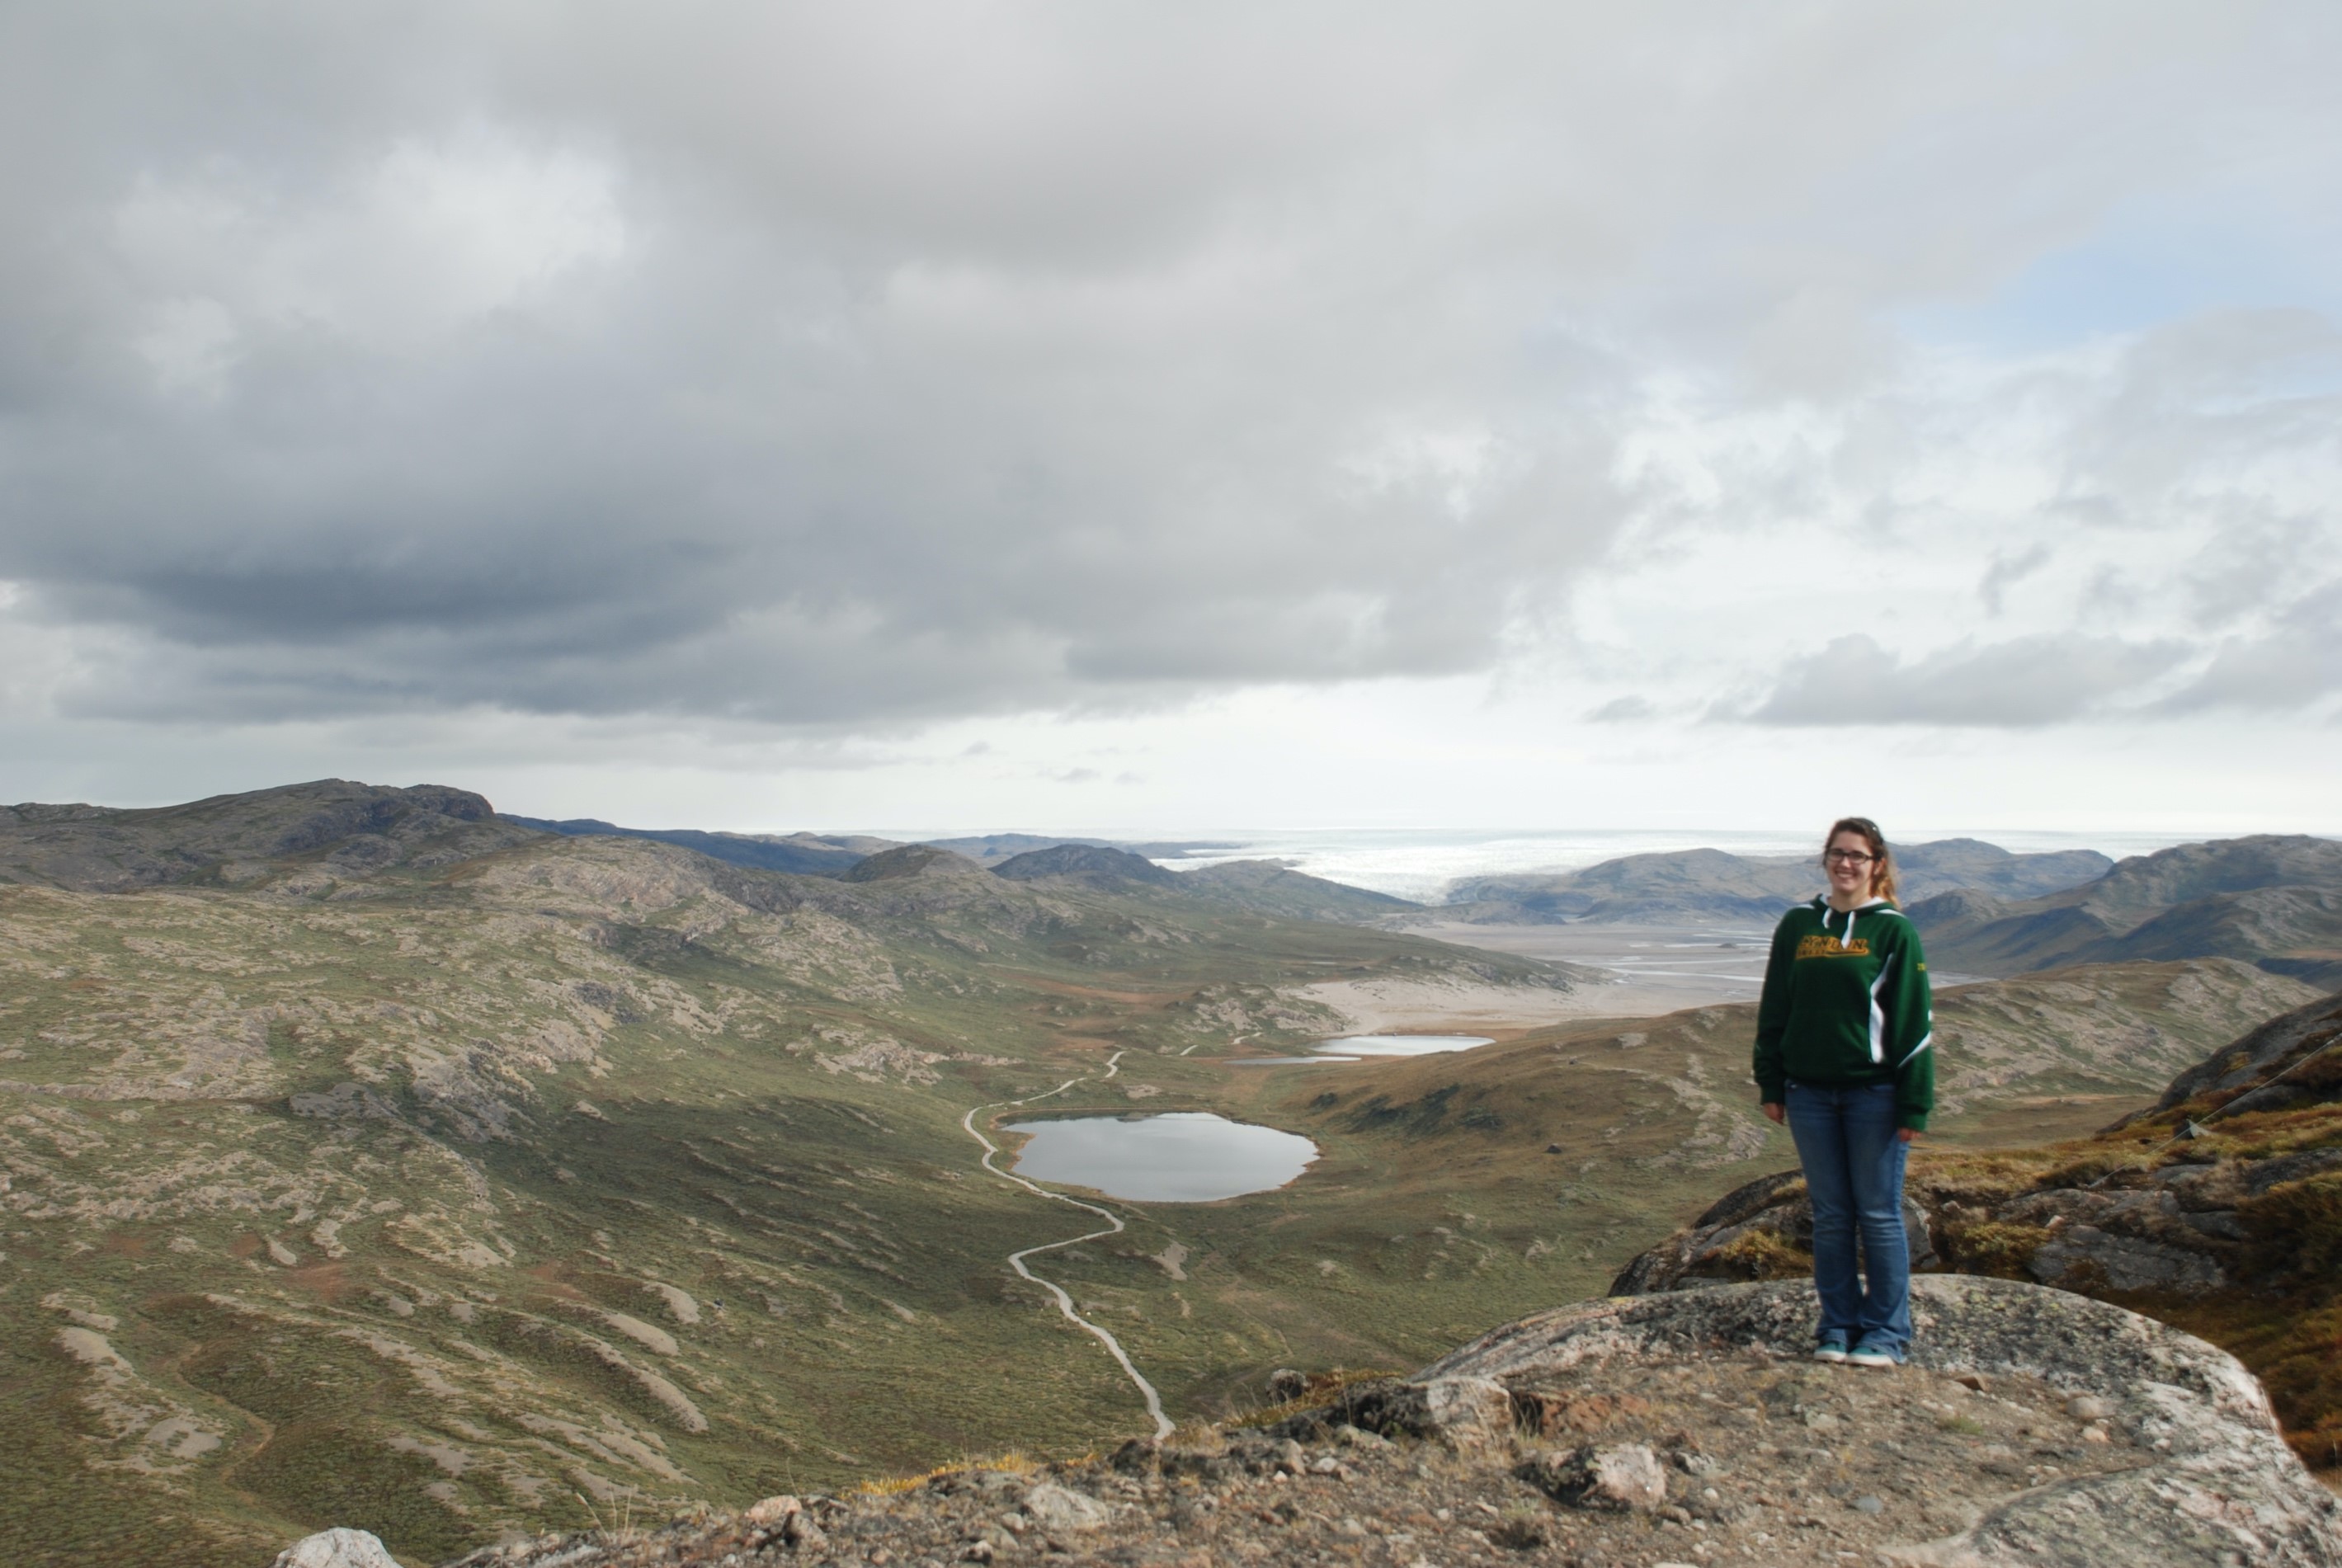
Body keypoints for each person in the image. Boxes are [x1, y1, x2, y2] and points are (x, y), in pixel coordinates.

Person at [1752, 816, 1933, 1368]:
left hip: (1872, 1095)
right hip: (1808, 1092)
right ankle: (1836, 1325)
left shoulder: (1892, 930)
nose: (1845, 863)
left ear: (1876, 864)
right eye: (1837, 853)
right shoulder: (1799, 925)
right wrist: (1770, 1079)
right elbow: (1775, 1006)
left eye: (1857, 854)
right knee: (1830, 1215)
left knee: (1877, 1213)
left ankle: (1884, 1333)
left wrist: (1913, 1101)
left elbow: (1912, 1022)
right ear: (1825, 860)